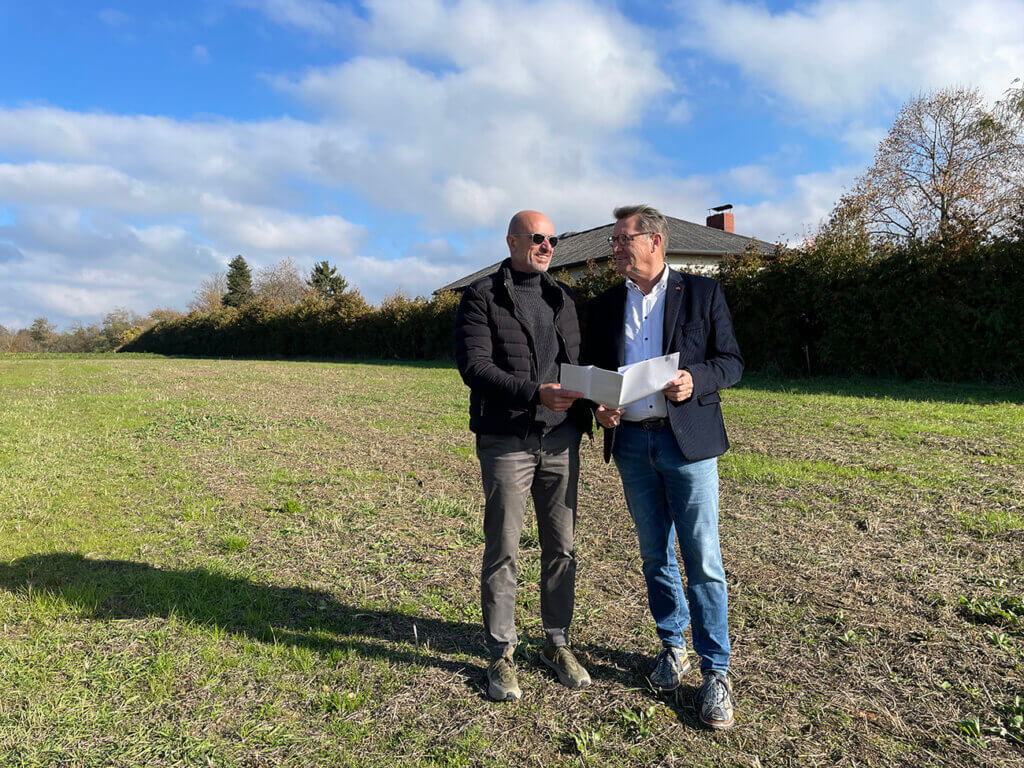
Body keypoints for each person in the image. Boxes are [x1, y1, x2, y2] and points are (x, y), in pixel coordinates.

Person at [583, 204, 743, 729]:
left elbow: (731, 362)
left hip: (686, 446)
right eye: (613, 241)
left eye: (621, 239)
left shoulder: (701, 293)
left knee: (703, 561)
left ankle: (716, 672)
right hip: (631, 444)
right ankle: (673, 649)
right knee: (655, 557)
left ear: (653, 241)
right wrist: (599, 406)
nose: (614, 248)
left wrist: (696, 378)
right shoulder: (606, 304)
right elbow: (594, 371)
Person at [454, 210, 593, 702]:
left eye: (553, 239)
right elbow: (474, 366)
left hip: (561, 441)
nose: (547, 246)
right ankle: (501, 653)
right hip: (507, 442)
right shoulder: (481, 295)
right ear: (512, 240)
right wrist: (536, 393)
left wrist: (599, 405)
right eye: (538, 238)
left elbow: (578, 366)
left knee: (562, 547)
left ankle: (556, 643)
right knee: (504, 550)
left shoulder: (563, 297)